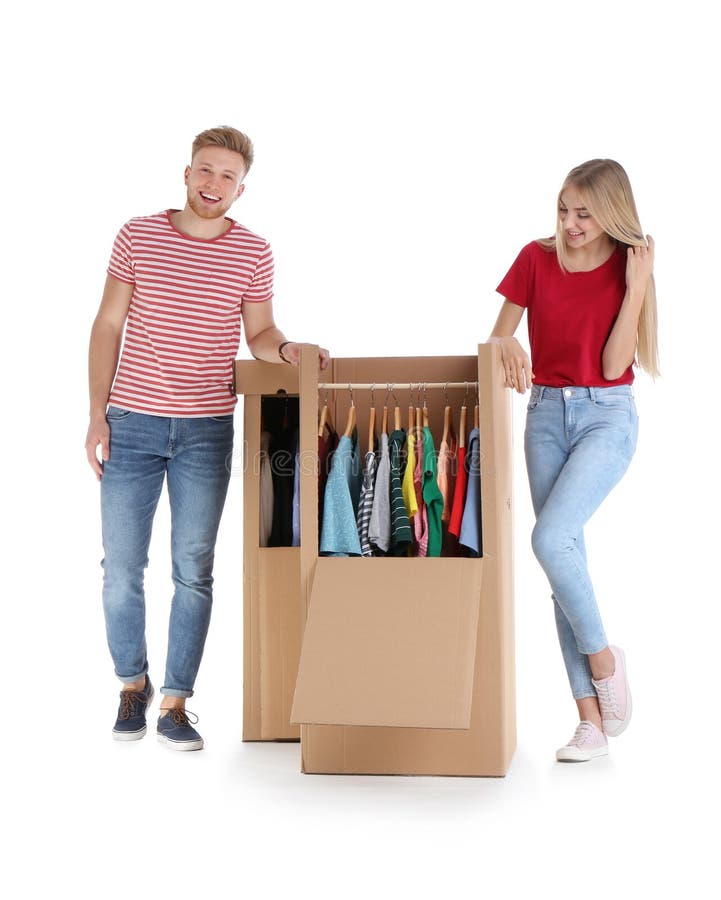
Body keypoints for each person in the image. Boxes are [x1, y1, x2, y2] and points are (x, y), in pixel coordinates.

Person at [85, 126, 329, 751]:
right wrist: (96, 414)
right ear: (187, 173)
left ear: (241, 189)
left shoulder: (253, 251)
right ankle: (132, 685)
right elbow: (108, 323)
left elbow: (261, 333)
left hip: (205, 430)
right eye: (205, 170)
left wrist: (288, 349)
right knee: (121, 569)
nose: (214, 183)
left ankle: (175, 702)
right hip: (133, 421)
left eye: (227, 176)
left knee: (194, 570)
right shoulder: (137, 235)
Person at [490, 158, 658, 762]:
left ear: (611, 212)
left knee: (550, 539)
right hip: (543, 416)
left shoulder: (627, 266)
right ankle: (590, 723)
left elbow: (613, 367)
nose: (570, 223)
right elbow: (497, 335)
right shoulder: (535, 258)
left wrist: (636, 287)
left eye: (584, 213)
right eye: (564, 209)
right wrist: (506, 342)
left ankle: (605, 662)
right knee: (563, 560)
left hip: (606, 416)